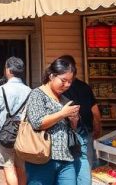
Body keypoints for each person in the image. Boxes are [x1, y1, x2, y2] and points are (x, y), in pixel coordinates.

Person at [25, 57, 81, 185]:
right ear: (51, 76)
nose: (67, 85)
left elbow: (72, 129)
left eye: (70, 81)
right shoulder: (37, 94)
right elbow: (37, 122)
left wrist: (74, 120)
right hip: (42, 157)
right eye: (63, 80)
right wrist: (62, 113)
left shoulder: (64, 99)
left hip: (66, 157)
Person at [0, 57, 32, 185]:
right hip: (23, 135)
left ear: (8, 70)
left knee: (8, 167)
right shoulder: (29, 91)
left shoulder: (1, 90)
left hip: (4, 134)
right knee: (21, 168)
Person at [60, 54, 102, 185]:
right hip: (85, 131)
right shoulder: (85, 87)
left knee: (67, 165)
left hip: (66, 132)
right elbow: (95, 111)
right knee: (85, 161)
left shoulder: (59, 89)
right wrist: (97, 127)